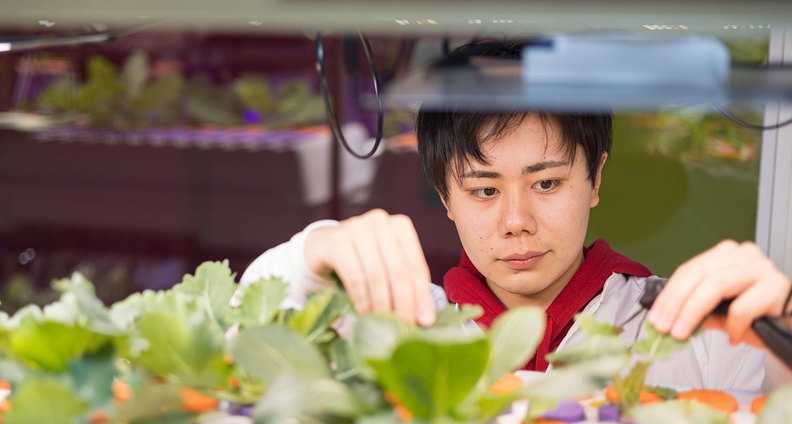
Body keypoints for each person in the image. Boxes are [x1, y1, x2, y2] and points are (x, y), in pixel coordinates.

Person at [240, 39, 792, 391]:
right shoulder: (398, 327)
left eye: (546, 183)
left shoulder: (694, 329)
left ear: (595, 178)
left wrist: (784, 327)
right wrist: (310, 256)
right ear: (445, 196)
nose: (516, 221)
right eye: (483, 190)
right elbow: (236, 346)